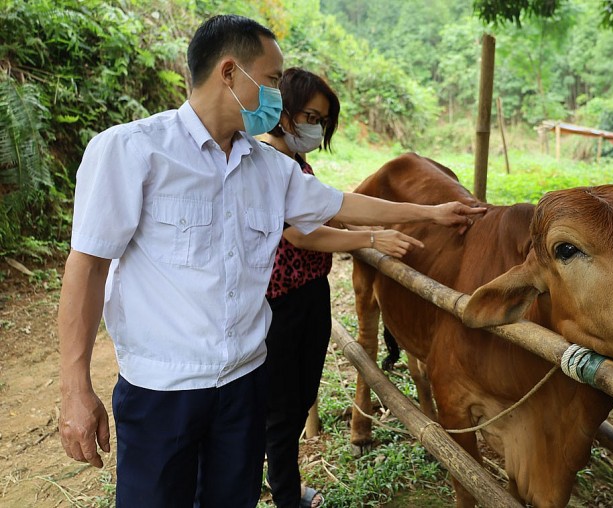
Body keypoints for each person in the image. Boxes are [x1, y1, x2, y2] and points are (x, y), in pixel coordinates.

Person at [56, 14, 484, 508]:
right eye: (274, 79)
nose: (280, 94)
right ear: (230, 73)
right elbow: (87, 268)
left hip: (244, 385)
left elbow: (341, 203)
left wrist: (431, 211)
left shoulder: (270, 169)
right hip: (163, 391)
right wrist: (75, 388)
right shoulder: (131, 151)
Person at [257, 68, 413, 508]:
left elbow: (328, 206)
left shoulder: (294, 160)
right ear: (283, 111)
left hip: (309, 293)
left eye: (323, 120)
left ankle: (265, 482)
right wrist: (370, 237)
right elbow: (300, 234)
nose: (316, 127)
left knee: (298, 395)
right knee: (284, 407)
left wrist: (364, 222)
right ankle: (286, 495)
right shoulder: (269, 159)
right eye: (310, 115)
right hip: (280, 303)